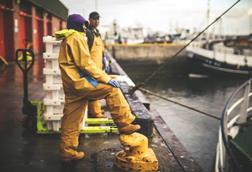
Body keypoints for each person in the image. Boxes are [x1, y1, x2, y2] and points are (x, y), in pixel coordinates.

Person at [56, 14, 140, 162]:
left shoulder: (67, 38)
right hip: (81, 84)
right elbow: (85, 63)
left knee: (71, 119)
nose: (85, 28)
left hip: (71, 85)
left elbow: (76, 64)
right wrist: (106, 79)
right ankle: (125, 123)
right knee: (112, 89)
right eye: (83, 25)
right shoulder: (76, 37)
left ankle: (67, 151)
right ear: (79, 25)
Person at [84, 11, 109, 118]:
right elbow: (85, 51)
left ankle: (96, 110)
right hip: (91, 68)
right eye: (94, 19)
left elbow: (101, 49)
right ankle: (94, 113)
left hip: (98, 67)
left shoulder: (97, 32)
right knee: (93, 89)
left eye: (98, 19)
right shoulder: (88, 33)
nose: (97, 21)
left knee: (97, 89)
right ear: (89, 19)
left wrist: (104, 59)